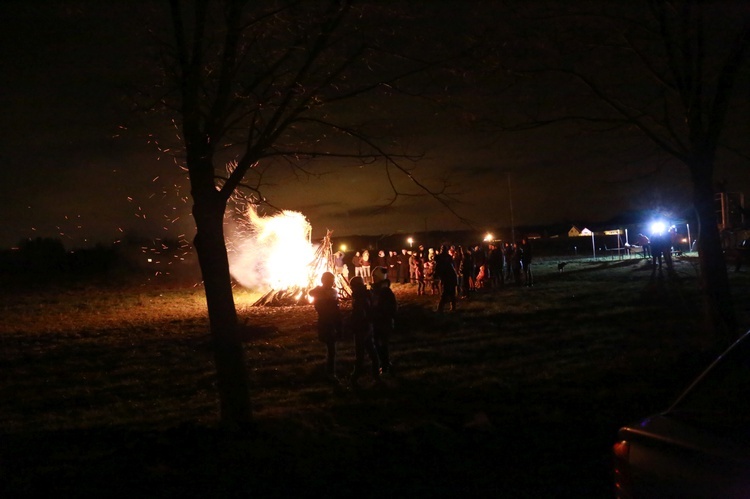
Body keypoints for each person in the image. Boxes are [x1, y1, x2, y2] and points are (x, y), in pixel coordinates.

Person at [309, 272, 342, 381]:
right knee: (331, 347)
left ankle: (330, 370)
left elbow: (336, 309)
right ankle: (330, 372)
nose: (332, 282)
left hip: (332, 322)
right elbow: (311, 293)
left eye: (332, 280)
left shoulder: (333, 292)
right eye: (330, 280)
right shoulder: (320, 292)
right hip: (326, 322)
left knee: (332, 348)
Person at [348, 276, 381, 386]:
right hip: (368, 326)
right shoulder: (366, 294)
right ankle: (376, 374)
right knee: (371, 349)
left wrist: (352, 322)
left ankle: (355, 377)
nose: (351, 289)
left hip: (361, 327)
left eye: (352, 286)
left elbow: (360, 313)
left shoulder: (360, 297)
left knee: (360, 353)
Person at [371, 266, 397, 374]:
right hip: (378, 321)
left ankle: (385, 365)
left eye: (374, 277)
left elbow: (390, 307)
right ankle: (384, 364)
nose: (373, 278)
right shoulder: (378, 289)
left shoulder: (384, 291)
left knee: (382, 344)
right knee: (379, 344)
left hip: (382, 321)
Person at [435, 244, 457, 312]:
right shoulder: (448, 257)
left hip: (448, 277)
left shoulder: (441, 258)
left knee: (445, 293)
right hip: (451, 276)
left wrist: (436, 274)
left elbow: (438, 268)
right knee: (451, 293)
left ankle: (440, 308)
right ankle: (452, 308)